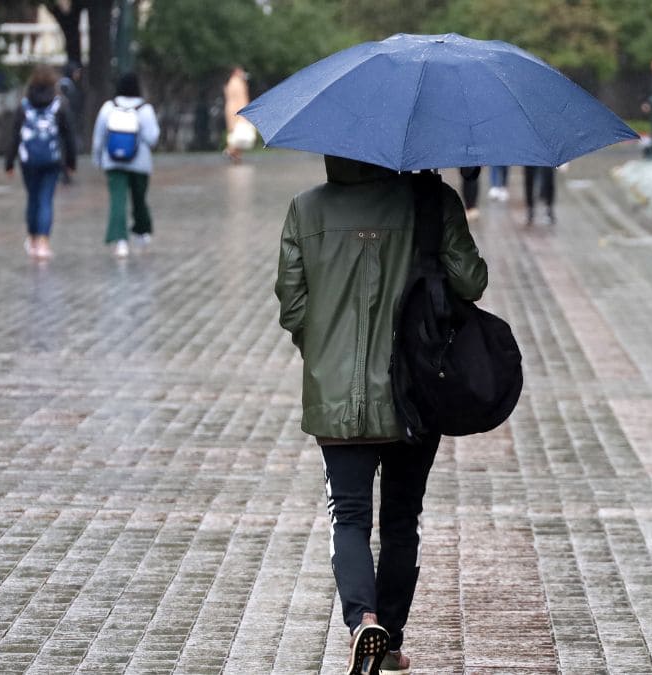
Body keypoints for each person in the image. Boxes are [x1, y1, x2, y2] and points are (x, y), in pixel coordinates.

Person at [275, 156, 487, 675]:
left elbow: (291, 305)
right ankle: (389, 640)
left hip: (335, 395)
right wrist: (445, 207)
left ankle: (361, 622)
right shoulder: (431, 202)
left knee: (347, 516)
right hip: (416, 392)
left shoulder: (305, 209)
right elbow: (472, 281)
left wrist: (325, 350)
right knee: (400, 520)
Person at [4, 64, 76, 260]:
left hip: (28, 159)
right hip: (52, 159)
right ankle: (43, 242)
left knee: (33, 198)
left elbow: (15, 135)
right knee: (46, 199)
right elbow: (68, 135)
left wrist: (9, 163)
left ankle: (32, 239)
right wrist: (71, 162)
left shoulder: (24, 104)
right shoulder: (59, 104)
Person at [92, 72, 160, 257]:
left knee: (117, 200)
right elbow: (152, 138)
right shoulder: (145, 109)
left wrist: (97, 158)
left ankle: (120, 240)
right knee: (139, 199)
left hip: (112, 161)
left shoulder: (108, 107)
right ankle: (142, 231)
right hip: (140, 162)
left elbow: (99, 136)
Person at [223, 65, 257, 163]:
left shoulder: (230, 82)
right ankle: (231, 150)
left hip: (230, 110)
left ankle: (235, 154)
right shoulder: (238, 83)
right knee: (240, 134)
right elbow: (243, 98)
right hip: (239, 109)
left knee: (235, 133)